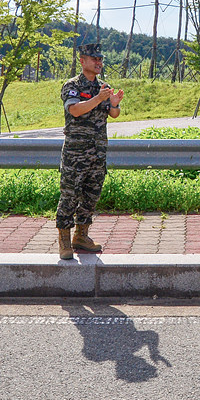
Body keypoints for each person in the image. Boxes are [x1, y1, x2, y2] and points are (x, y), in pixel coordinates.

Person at [56, 43, 123, 259]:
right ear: (82, 61)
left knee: (90, 196)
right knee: (69, 196)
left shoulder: (103, 87)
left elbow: (113, 115)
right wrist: (99, 99)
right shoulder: (72, 86)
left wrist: (113, 104)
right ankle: (64, 240)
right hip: (76, 154)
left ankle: (81, 236)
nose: (99, 63)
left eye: (100, 60)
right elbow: (75, 110)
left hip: (97, 153)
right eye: (94, 60)